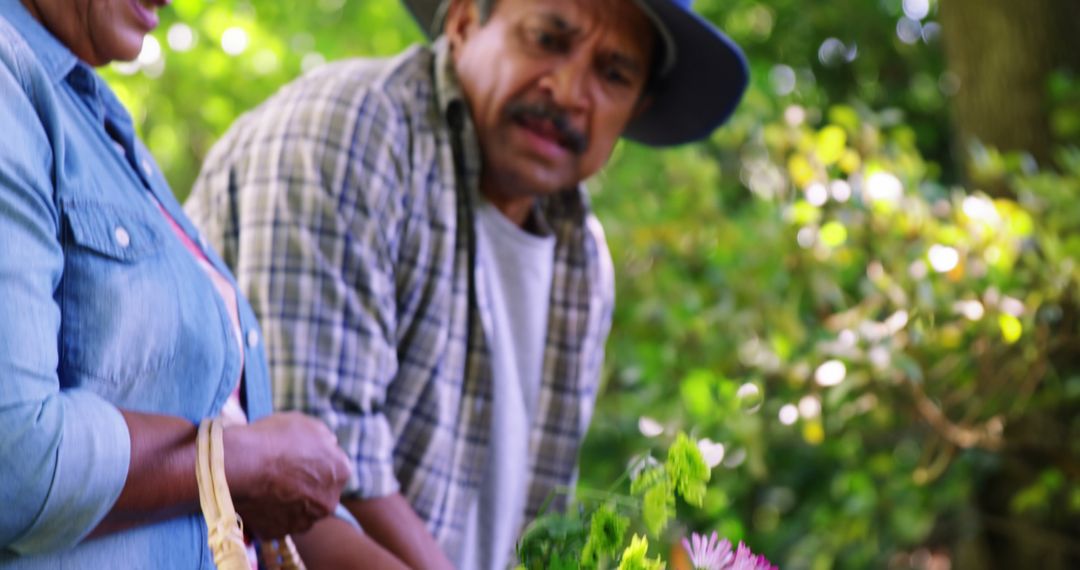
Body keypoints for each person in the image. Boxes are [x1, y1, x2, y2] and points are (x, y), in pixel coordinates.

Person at [185, 0, 748, 568]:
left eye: (614, 74)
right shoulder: (356, 131)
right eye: (548, 39)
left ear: (636, 107)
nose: (570, 90)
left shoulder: (582, 260)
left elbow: (533, 531)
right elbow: (306, 491)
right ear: (461, 24)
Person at [0, 0, 360, 567]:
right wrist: (241, 462)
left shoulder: (94, 113)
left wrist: (259, 464)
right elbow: (14, 462)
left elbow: (234, 442)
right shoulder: (10, 79)